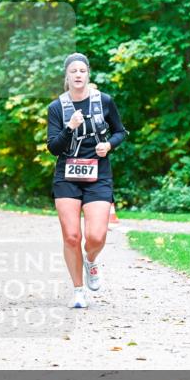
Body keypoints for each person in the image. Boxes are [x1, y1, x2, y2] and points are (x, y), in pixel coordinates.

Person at [47, 53, 127, 309]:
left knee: (96, 236)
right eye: (74, 71)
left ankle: (91, 260)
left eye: (82, 70)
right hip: (67, 176)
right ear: (67, 76)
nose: (78, 75)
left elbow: (120, 132)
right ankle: (78, 291)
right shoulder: (57, 107)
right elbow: (53, 147)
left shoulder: (104, 101)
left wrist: (108, 145)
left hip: (98, 174)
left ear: (88, 74)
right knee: (71, 236)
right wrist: (69, 127)